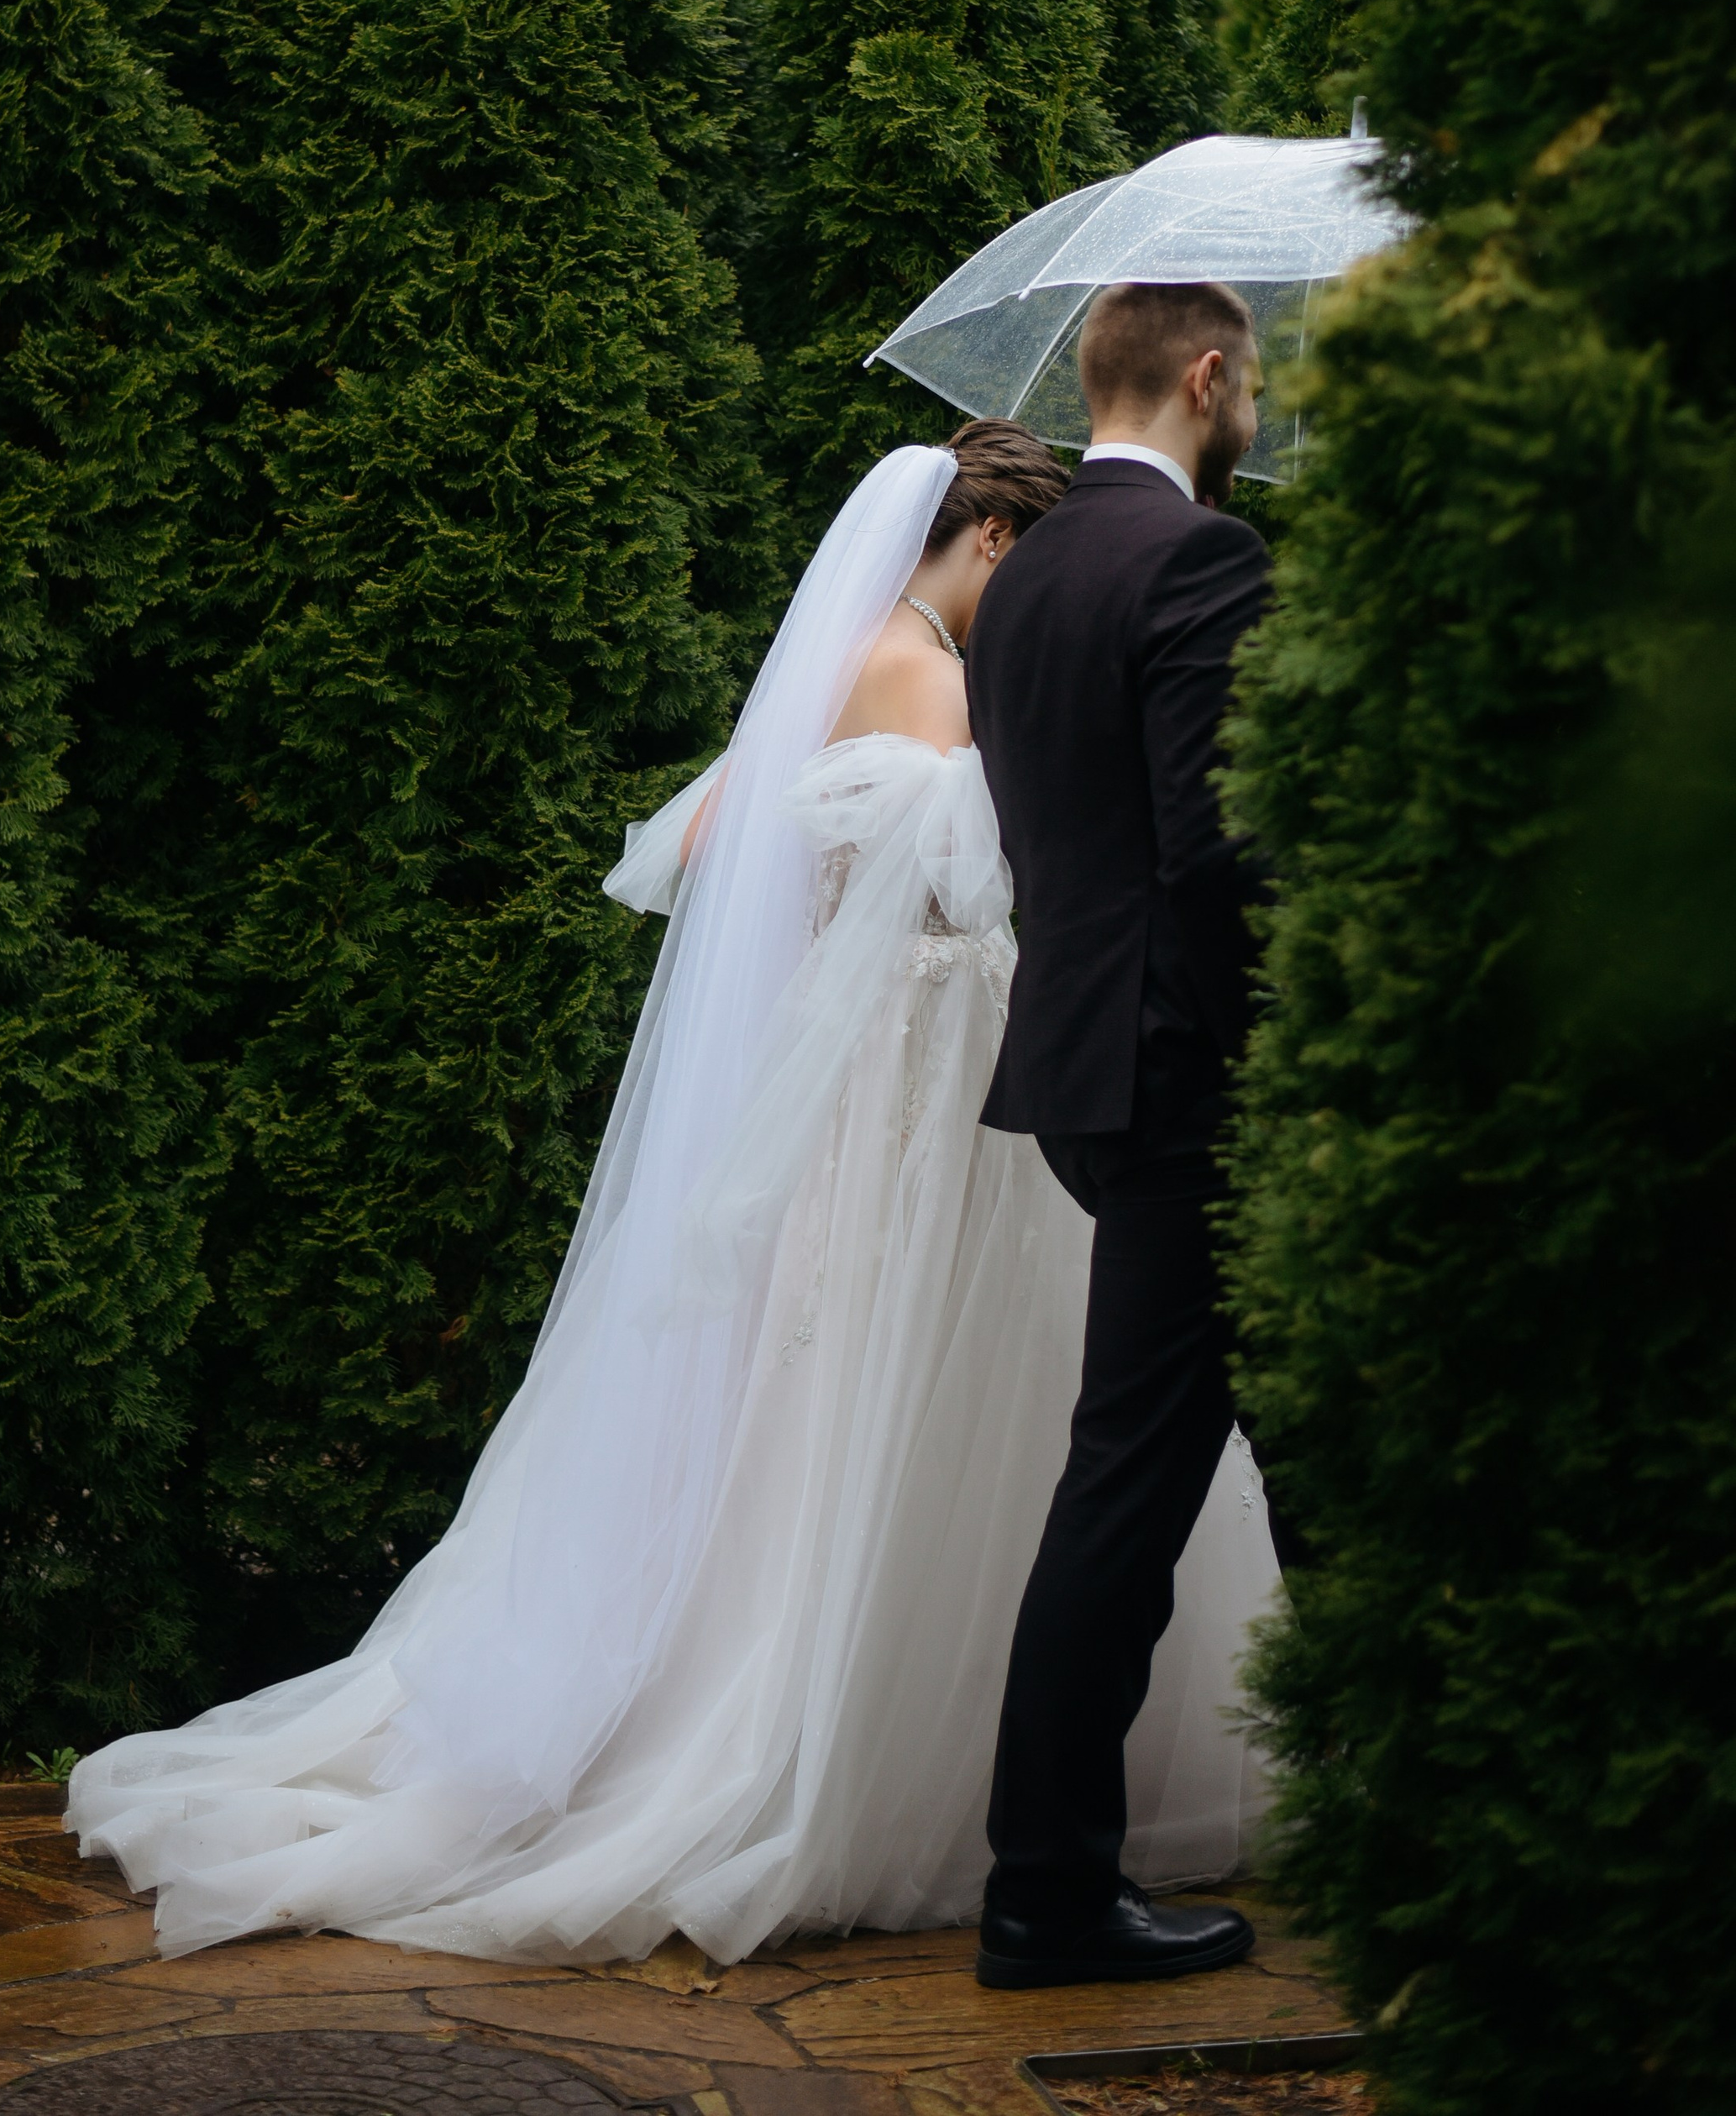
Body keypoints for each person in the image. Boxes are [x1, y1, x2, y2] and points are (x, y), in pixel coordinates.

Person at [67, 423, 1277, 1965]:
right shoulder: (926, 673)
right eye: (1022, 574)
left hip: (851, 1100)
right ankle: (887, 1771)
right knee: (919, 1416)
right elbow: (996, 881)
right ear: (987, 543)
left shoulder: (834, 665)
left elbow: (711, 840)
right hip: (931, 1096)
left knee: (801, 1421)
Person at [968, 280, 1293, 1992]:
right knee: (1126, 1484)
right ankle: (1043, 1893)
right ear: (1206, 372)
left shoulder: (1020, 577)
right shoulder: (1198, 562)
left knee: (1217, 1459)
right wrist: (1294, 1063)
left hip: (1089, 1075)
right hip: (1195, 1084)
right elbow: (1216, 852)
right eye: (1252, 385)